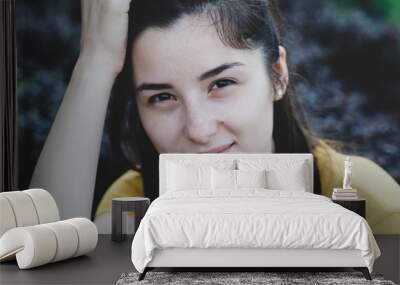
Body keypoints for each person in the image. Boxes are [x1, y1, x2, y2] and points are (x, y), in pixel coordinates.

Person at [30, 0, 400, 234]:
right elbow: (44, 253)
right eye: (161, 97)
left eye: (222, 83)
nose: (199, 129)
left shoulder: (362, 200)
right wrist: (94, 63)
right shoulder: (133, 205)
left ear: (278, 76)